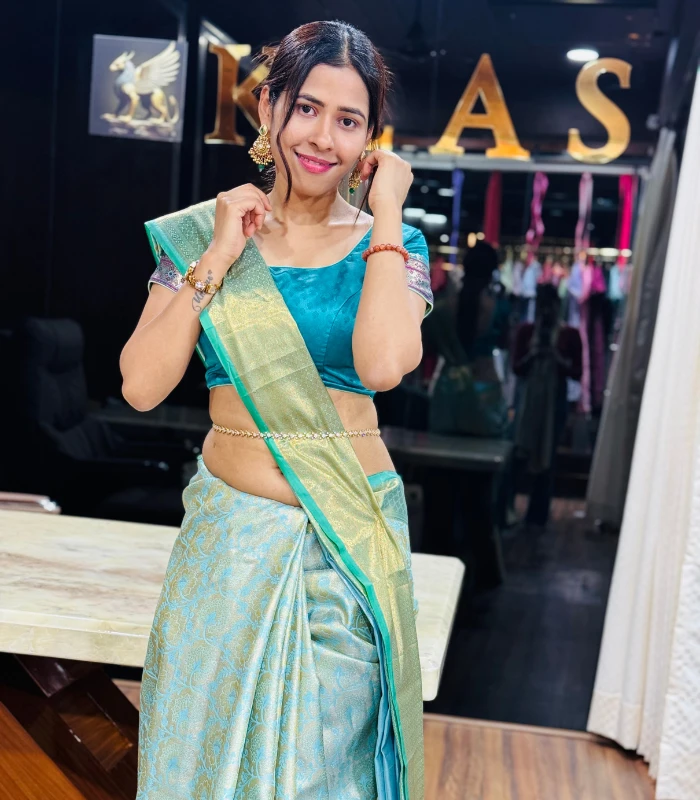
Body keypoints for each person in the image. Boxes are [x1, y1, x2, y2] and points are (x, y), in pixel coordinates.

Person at [119, 21, 432, 800]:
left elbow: (383, 366)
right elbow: (141, 385)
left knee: (320, 777)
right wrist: (221, 256)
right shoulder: (203, 233)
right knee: (197, 766)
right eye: (307, 108)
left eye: (349, 120)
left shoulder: (395, 245)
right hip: (225, 552)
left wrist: (387, 213)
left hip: (341, 551)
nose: (323, 137)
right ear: (270, 109)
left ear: (370, 138)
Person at [512, 284, 582, 527]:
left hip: (554, 402)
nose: (545, 311)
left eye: (549, 306)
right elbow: (516, 367)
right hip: (527, 400)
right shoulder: (526, 331)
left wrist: (556, 357)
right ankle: (510, 508)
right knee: (519, 453)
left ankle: (538, 514)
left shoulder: (569, 334)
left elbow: (577, 372)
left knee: (548, 455)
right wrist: (533, 355)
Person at [427, 241, 509, 437]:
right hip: (485, 388)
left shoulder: (442, 308)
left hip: (448, 388)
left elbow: (429, 347)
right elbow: (504, 342)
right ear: (492, 272)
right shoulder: (499, 308)